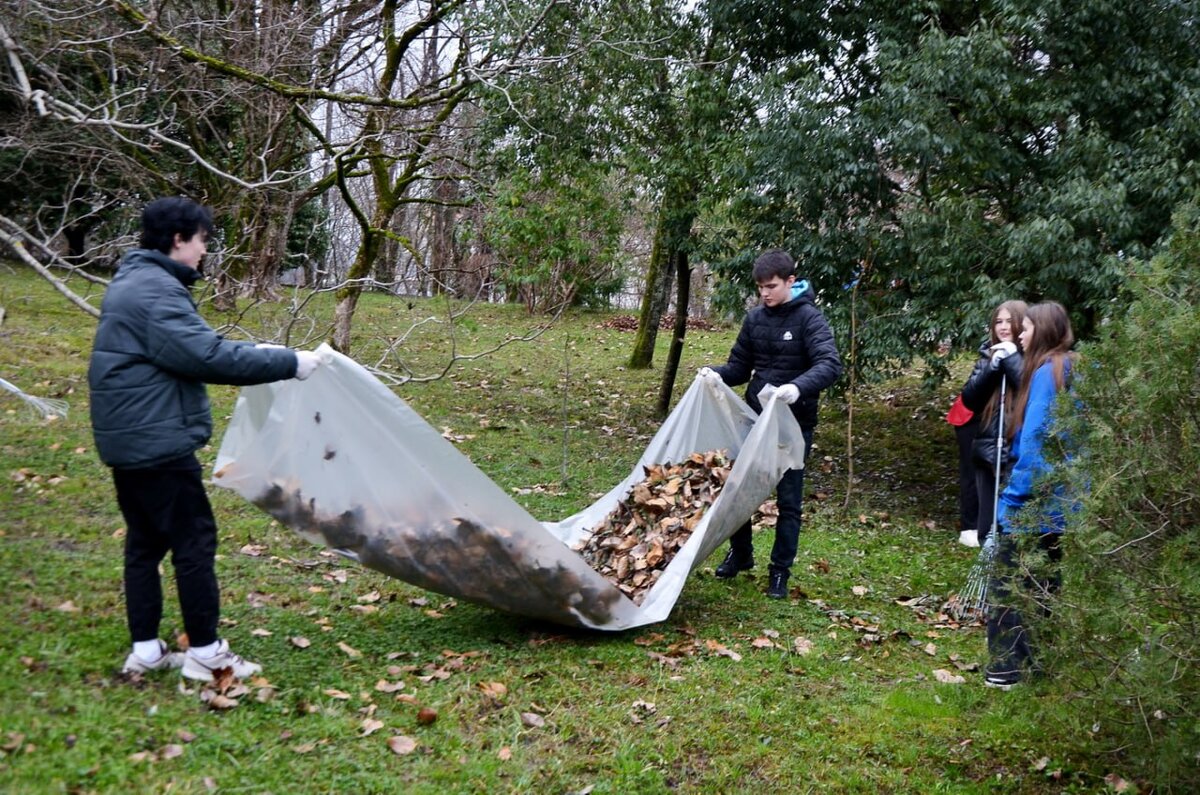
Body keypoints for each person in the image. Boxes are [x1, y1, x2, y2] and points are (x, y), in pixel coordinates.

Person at [89, 197, 323, 681]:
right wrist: (289, 363)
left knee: (145, 543)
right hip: (156, 443)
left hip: (129, 440)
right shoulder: (155, 290)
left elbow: (185, 349)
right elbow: (206, 356)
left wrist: (258, 351)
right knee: (193, 540)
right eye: (202, 241)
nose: (203, 251)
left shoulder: (135, 281)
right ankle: (206, 653)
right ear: (179, 239)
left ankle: (147, 651)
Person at [699, 249, 843, 599]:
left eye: (772, 286)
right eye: (760, 287)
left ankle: (779, 572)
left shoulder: (810, 319)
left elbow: (830, 364)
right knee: (738, 490)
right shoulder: (754, 320)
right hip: (754, 419)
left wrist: (797, 387)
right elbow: (738, 367)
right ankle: (742, 554)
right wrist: (711, 374)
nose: (765, 293)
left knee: (788, 501)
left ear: (791, 282)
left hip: (794, 424)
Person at [984, 301, 1077, 689]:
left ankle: (1006, 670)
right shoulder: (1077, 367)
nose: (1019, 334)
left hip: (1035, 507)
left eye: (1026, 329)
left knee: (1007, 585)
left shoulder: (1046, 374)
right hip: (1068, 506)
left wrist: (1011, 502)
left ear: (1042, 331)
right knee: (1045, 588)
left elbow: (1038, 444)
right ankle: (1039, 668)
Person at [958, 300, 1027, 548]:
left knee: (1011, 528)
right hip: (988, 447)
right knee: (987, 529)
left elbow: (1028, 393)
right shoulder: (988, 354)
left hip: (1016, 450)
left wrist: (1012, 360)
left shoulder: (1033, 357)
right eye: (999, 321)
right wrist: (992, 368)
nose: (1004, 327)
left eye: (1010, 321)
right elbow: (969, 399)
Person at [945, 394, 980, 547]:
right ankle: (970, 528)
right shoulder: (990, 369)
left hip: (993, 416)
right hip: (971, 416)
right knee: (972, 470)